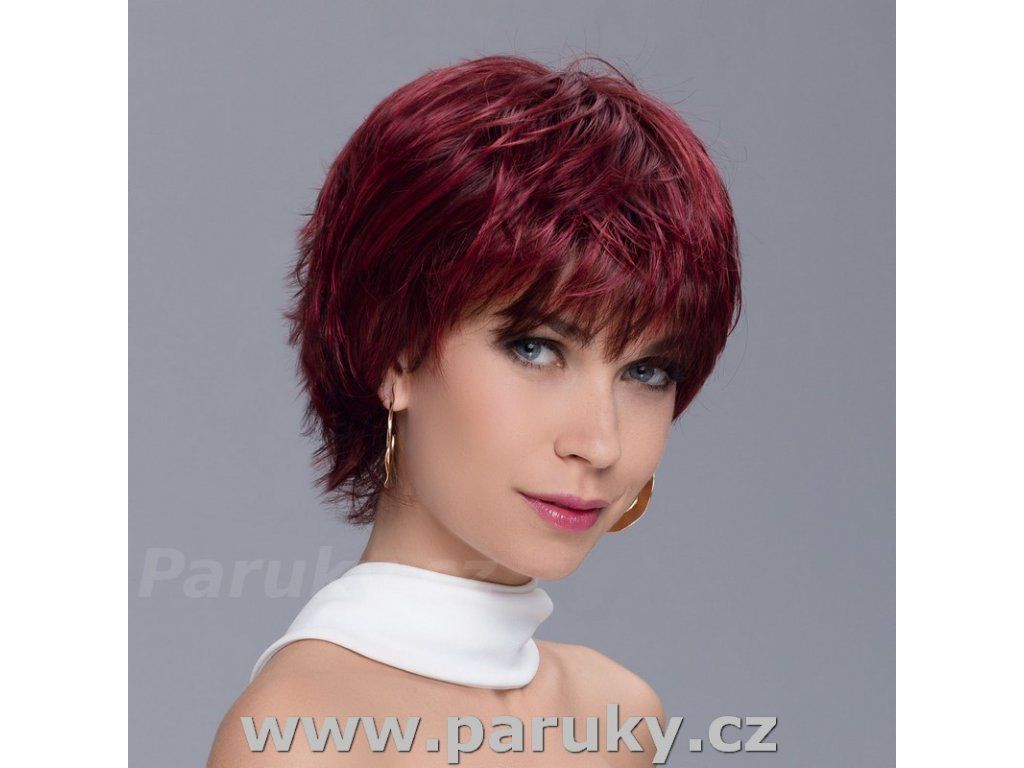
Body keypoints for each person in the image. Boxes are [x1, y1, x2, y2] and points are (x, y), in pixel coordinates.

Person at [207, 53, 741, 766]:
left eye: (647, 371)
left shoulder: (618, 717)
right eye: (535, 348)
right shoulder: (298, 736)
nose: (600, 443)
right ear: (395, 352)